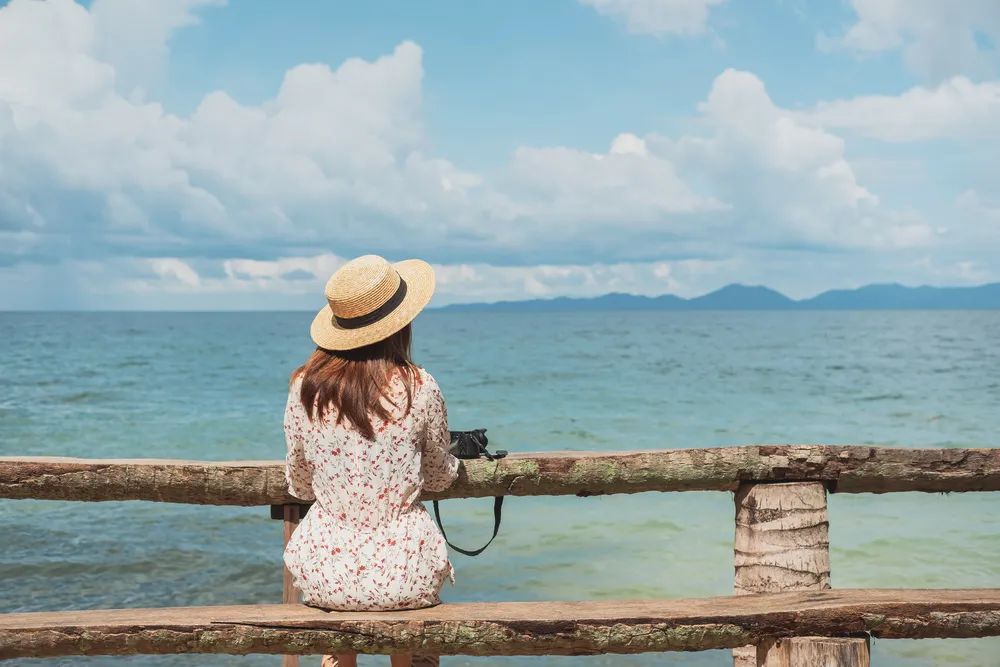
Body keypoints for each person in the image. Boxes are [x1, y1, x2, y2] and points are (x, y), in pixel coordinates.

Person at [283, 254, 460, 667]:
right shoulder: (420, 386)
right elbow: (438, 477)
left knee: (340, 634)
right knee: (413, 637)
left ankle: (339, 661)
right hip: (405, 572)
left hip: (328, 573)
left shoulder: (304, 388)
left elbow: (300, 482)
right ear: (400, 323)